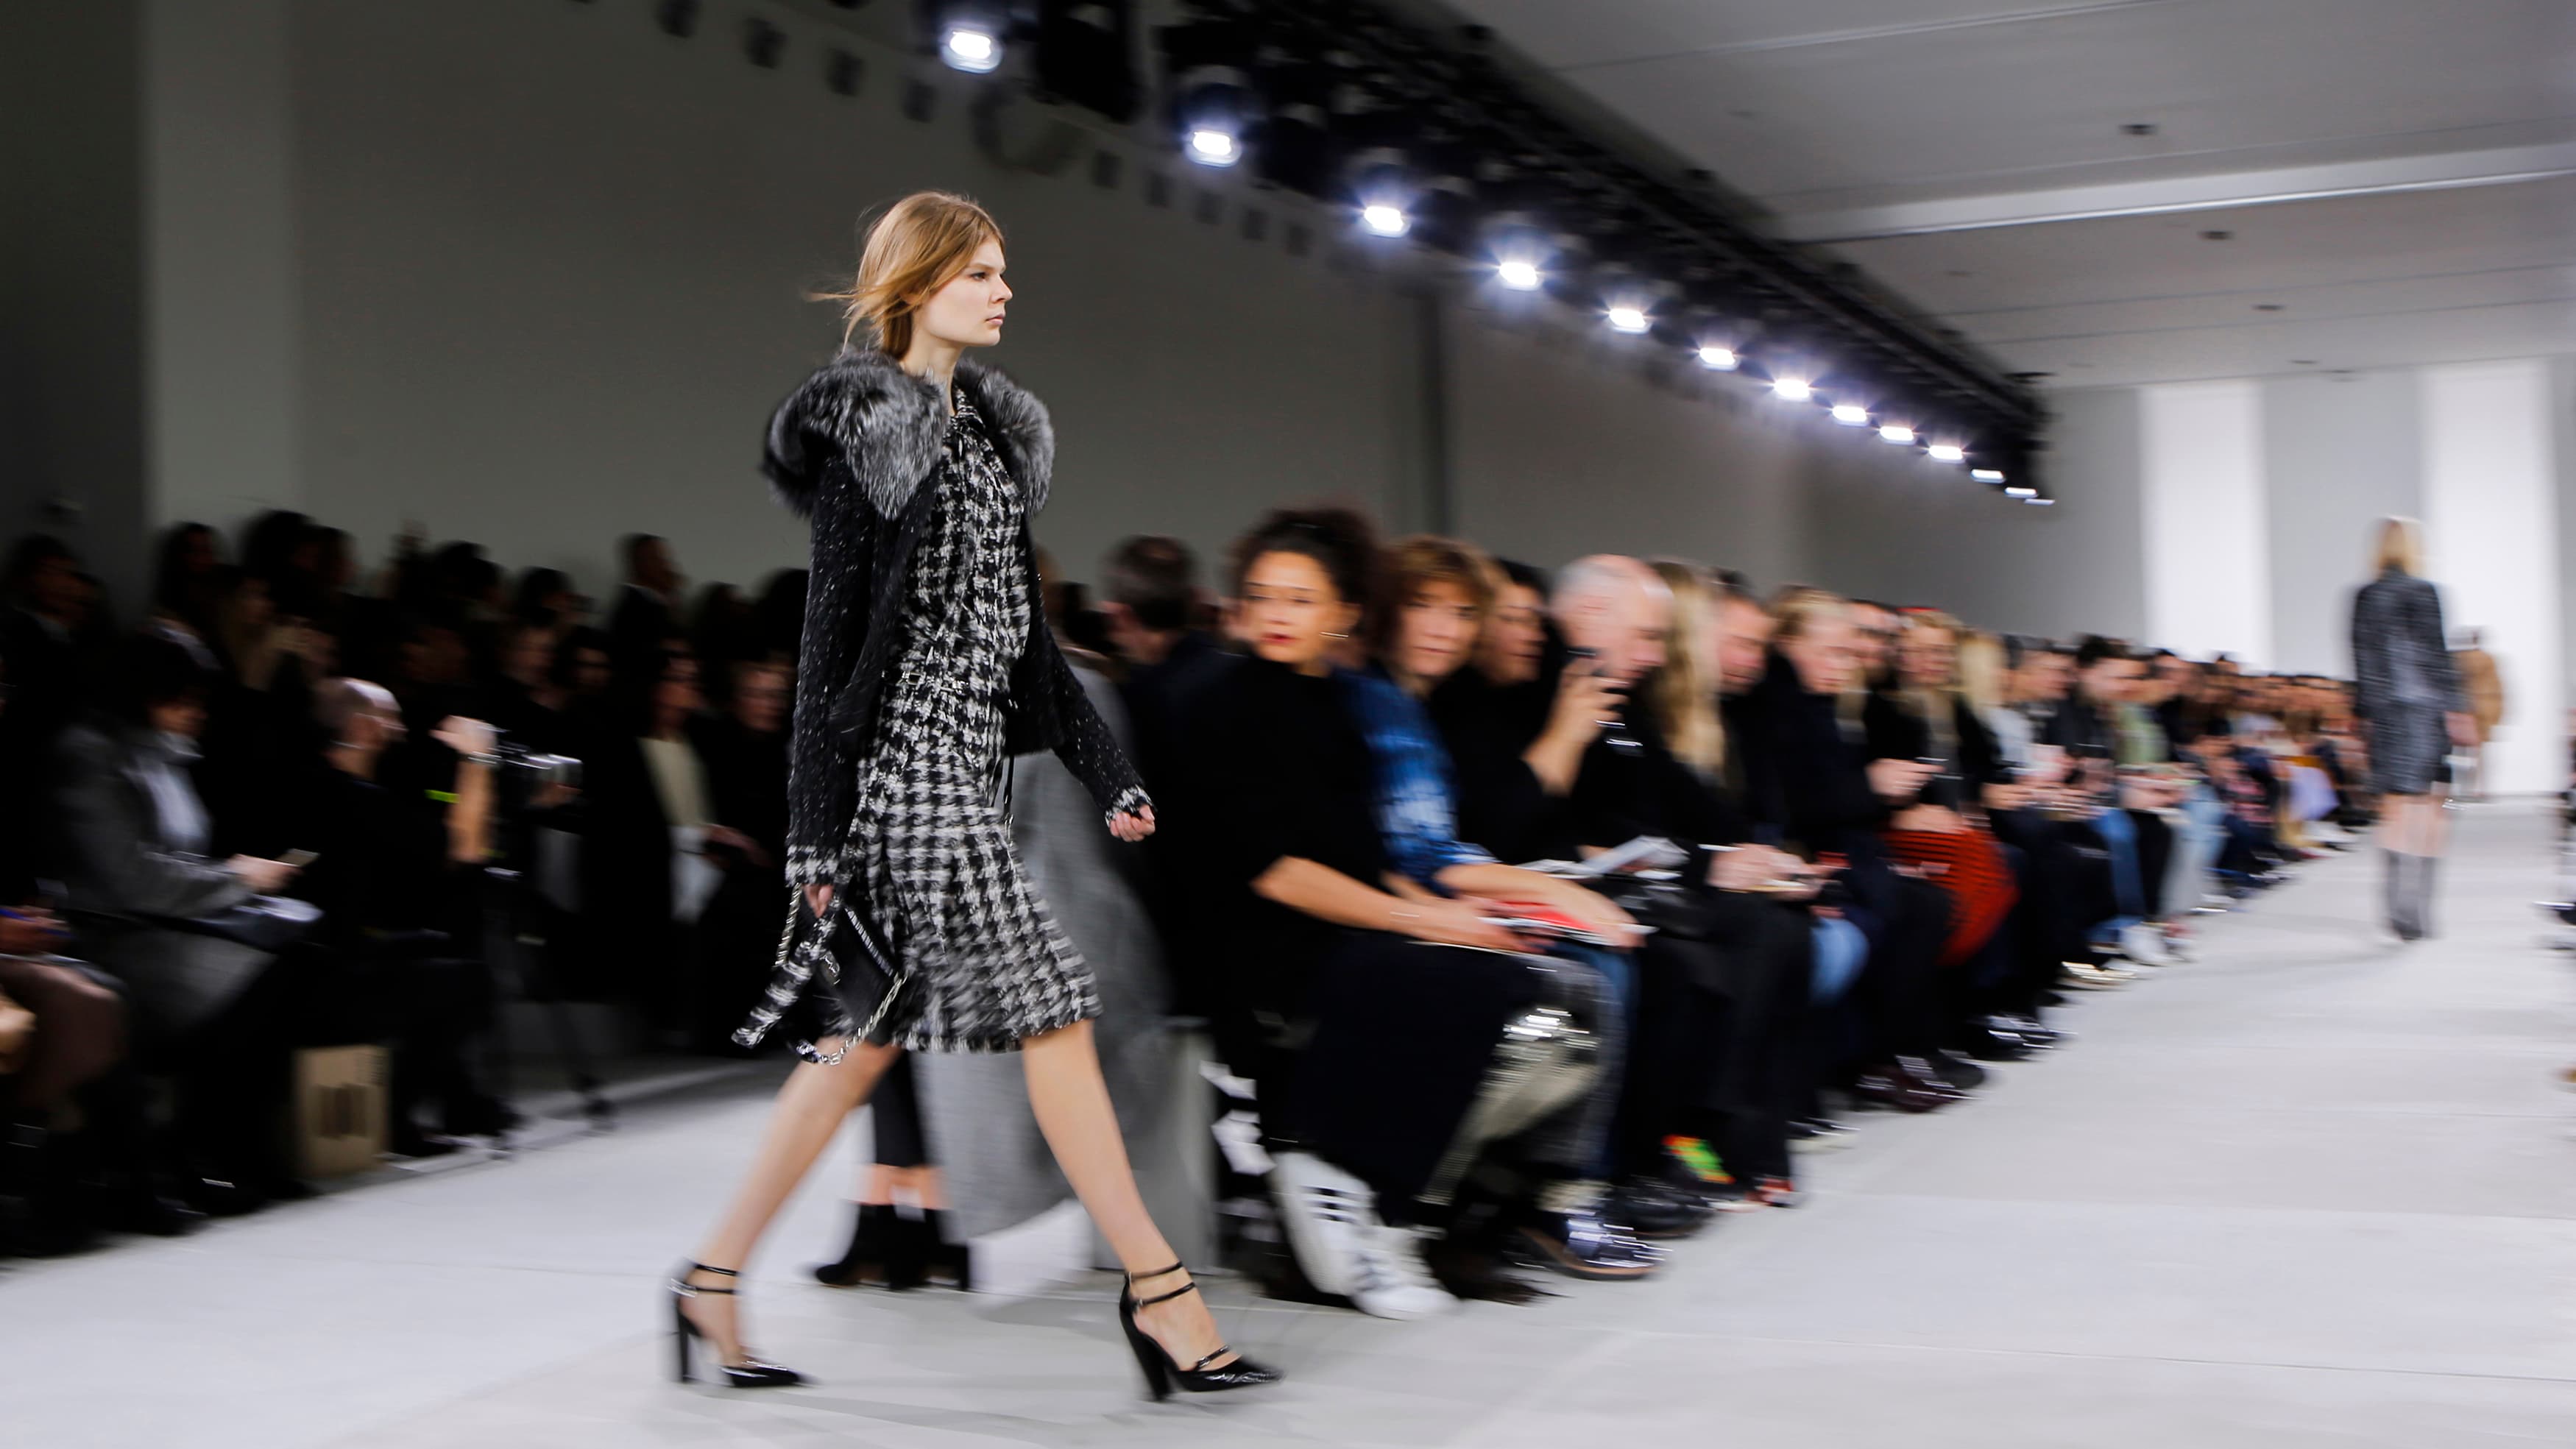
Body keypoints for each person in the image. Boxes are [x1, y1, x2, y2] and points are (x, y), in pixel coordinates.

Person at [676, 191, 1274, 1400]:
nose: (1004, 291)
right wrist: (808, 833)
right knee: (1053, 1007)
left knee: (851, 1051)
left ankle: (710, 1276)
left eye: (1006, 272)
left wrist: (1109, 773)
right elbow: (826, 653)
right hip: (903, 781)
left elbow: (1031, 647)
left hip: (976, 772)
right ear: (918, 285)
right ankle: (1161, 1291)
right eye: (982, 272)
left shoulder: (994, 438)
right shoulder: (869, 439)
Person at [2350, 517, 2474, 940]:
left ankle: (2393, 900)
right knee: (2433, 803)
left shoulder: (2365, 596)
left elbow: (2362, 658)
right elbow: (2437, 656)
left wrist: (2364, 715)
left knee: (2394, 806)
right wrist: (2458, 710)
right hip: (2426, 711)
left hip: (2386, 714)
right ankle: (2419, 903)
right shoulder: (2425, 593)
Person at [2452, 629, 2504, 802]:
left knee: (2462, 752)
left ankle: (2465, 788)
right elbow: (2497, 688)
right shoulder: (2487, 660)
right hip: (2481, 711)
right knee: (2477, 754)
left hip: (2465, 710)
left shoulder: (2460, 660)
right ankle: (2478, 789)